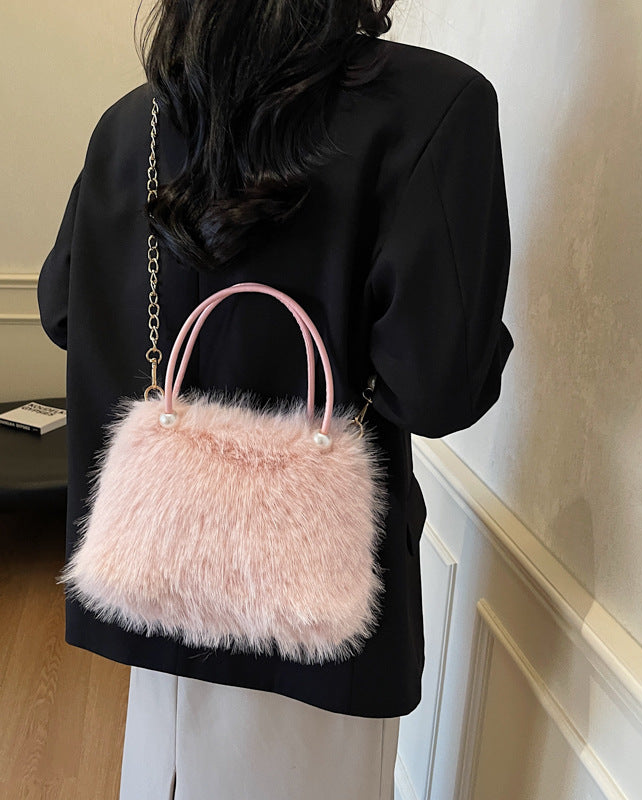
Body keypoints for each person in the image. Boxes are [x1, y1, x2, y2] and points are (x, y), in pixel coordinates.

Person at [37, 1, 515, 797]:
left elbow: (63, 310)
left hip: (164, 568)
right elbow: (436, 392)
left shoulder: (136, 120)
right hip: (317, 603)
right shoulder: (438, 103)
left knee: (170, 776)